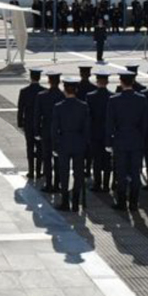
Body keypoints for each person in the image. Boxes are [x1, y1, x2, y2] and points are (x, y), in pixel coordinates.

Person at [107, 71, 148, 212]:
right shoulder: (141, 99)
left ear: (121, 82)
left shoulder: (114, 99)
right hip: (136, 140)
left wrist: (109, 142)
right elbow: (144, 123)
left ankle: (122, 202)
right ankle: (134, 203)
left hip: (120, 140)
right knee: (135, 172)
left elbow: (110, 123)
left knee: (121, 172)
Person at [52, 81, 90, 212]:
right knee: (78, 173)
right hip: (78, 142)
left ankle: (65, 202)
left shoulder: (58, 107)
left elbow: (54, 129)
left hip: (64, 142)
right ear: (76, 91)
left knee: (64, 173)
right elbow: (87, 128)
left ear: (65, 90)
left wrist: (55, 145)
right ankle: (75, 202)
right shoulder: (83, 106)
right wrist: (85, 143)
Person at [34, 71, 65, 194]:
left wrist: (36, 131)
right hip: (59, 132)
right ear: (59, 82)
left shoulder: (41, 96)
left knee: (46, 158)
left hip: (46, 130)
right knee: (58, 158)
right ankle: (57, 183)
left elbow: (37, 115)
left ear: (49, 81)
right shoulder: (63, 96)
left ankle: (48, 183)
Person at [86, 67, 113, 192]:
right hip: (108, 133)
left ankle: (97, 183)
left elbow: (88, 116)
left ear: (97, 81)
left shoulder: (90, 97)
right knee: (107, 160)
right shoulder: (112, 97)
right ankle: (106, 184)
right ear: (107, 82)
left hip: (95, 132)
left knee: (96, 160)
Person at [17, 68, 44, 181]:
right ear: (39, 78)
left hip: (28, 123)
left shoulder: (24, 91)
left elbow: (20, 109)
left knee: (30, 147)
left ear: (30, 77)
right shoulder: (44, 91)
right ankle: (38, 171)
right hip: (40, 124)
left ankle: (31, 170)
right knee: (40, 148)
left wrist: (20, 122)